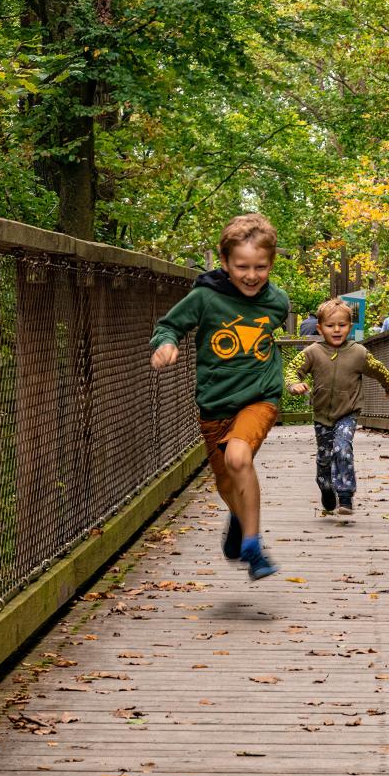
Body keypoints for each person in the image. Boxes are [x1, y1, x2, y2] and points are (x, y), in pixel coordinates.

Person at [152, 213, 291, 579]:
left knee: (238, 457)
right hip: (215, 404)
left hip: (260, 396)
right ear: (225, 263)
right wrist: (166, 344)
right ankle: (240, 517)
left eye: (260, 267)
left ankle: (253, 546)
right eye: (242, 266)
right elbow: (169, 325)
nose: (251, 275)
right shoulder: (205, 298)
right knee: (227, 482)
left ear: (271, 263)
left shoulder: (277, 302)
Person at [286, 298, 389, 515]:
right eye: (330, 325)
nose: (336, 330)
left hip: (348, 412)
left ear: (350, 326)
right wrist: (293, 384)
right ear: (320, 328)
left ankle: (345, 496)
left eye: (342, 325)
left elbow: (378, 369)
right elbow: (293, 369)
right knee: (324, 458)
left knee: (342, 447)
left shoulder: (358, 353)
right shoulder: (313, 352)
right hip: (322, 415)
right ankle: (326, 486)